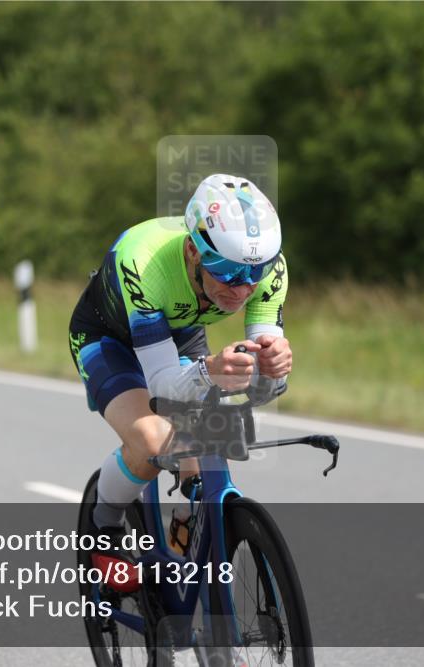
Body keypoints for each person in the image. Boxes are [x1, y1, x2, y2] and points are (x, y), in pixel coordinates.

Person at [68, 173, 292, 563]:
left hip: (180, 335)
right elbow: (162, 387)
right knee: (154, 442)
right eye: (226, 270)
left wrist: (274, 369)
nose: (241, 288)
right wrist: (210, 371)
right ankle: (103, 525)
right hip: (106, 338)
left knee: (203, 444)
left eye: (253, 274)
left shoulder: (266, 270)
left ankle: (186, 528)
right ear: (193, 251)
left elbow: (267, 387)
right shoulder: (145, 261)